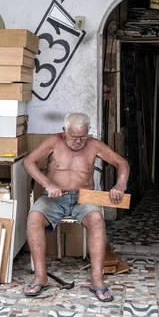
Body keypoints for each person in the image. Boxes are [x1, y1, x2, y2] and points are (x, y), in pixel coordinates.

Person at [22, 113, 129, 302]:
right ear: (64, 131)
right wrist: (47, 184)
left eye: (83, 137)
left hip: (84, 197)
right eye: (74, 137)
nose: (79, 142)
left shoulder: (94, 145)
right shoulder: (54, 141)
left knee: (96, 219)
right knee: (34, 218)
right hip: (54, 197)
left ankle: (97, 280)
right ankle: (41, 277)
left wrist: (120, 185)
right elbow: (28, 162)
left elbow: (122, 163)